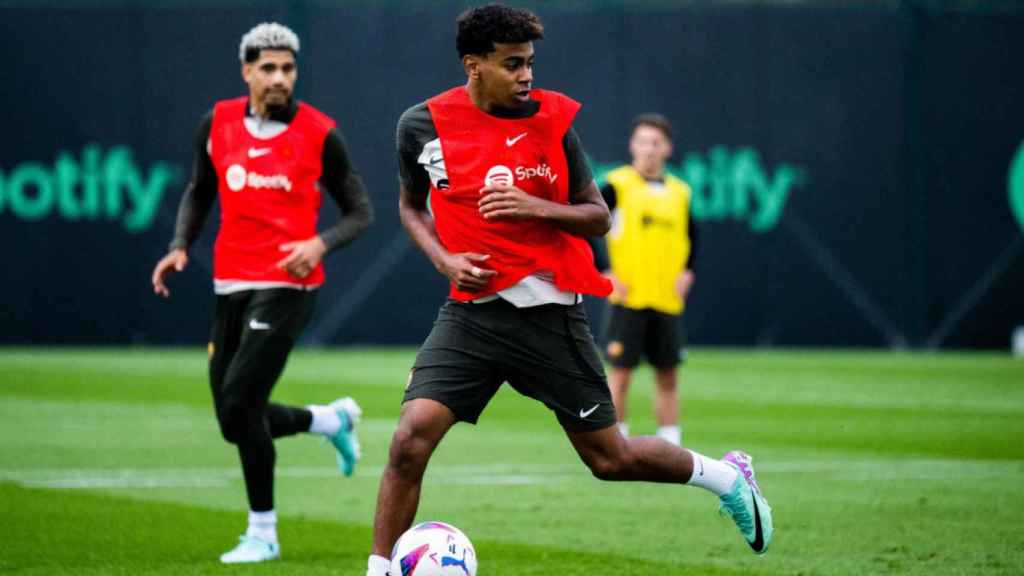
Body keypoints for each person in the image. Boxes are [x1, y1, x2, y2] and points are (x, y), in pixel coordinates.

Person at [365, 6, 772, 575]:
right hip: (472, 318)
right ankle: (378, 570)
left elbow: (598, 216)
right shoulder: (421, 125)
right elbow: (410, 206)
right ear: (473, 66)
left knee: (611, 459)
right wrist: (444, 259)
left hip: (549, 318)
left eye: (530, 62)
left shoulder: (552, 122)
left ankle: (728, 478)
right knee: (408, 441)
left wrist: (535, 206)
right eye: (513, 64)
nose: (527, 75)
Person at [150, 22, 374, 564]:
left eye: (288, 69)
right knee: (233, 421)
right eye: (268, 68)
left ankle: (263, 533)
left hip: (288, 286)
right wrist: (182, 243)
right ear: (247, 70)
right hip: (230, 283)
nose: (279, 78)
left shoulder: (321, 132)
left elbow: (361, 212)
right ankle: (330, 421)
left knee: (239, 402)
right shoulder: (218, 122)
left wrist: (319, 244)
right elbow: (199, 191)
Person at [591, 114, 698, 447]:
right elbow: (588, 225)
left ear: (667, 148)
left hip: (666, 297)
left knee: (668, 375)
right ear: (632, 145)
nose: (649, 149)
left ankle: (672, 445)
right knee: (620, 375)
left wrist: (687, 270)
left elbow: (692, 235)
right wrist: (605, 269)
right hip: (629, 298)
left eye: (656, 142)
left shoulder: (680, 192)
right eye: (643, 142)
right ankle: (617, 444)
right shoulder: (617, 185)